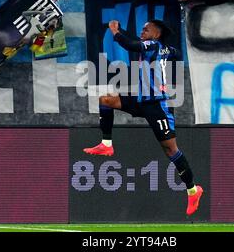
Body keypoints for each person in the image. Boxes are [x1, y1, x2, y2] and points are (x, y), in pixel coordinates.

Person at [83, 19, 204, 216]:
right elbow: (176, 53)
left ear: (156, 34)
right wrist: (167, 53)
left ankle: (192, 190)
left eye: (146, 30)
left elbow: (130, 44)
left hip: (157, 105)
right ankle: (106, 143)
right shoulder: (161, 48)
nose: (142, 31)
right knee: (106, 100)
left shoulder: (153, 45)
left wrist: (115, 30)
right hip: (141, 100)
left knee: (171, 150)